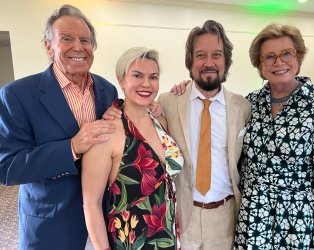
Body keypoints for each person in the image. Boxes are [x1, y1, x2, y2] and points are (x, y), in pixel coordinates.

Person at [0, 5, 119, 249]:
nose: (78, 47)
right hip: (51, 225)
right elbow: (7, 167)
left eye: (85, 40)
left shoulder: (108, 91)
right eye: (66, 39)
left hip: (104, 219)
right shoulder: (17, 95)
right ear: (48, 46)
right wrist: (72, 147)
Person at [234, 23, 314, 250]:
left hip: (297, 217)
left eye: (287, 53)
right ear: (259, 64)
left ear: (298, 57)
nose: (279, 62)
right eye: (269, 57)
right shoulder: (250, 103)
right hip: (253, 213)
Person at [158, 20, 251, 250]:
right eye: (200, 55)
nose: (208, 62)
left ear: (226, 61)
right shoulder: (168, 102)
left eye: (216, 55)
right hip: (183, 214)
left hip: (226, 217)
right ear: (190, 62)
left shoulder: (243, 107)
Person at [82, 47, 184, 250]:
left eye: (153, 77)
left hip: (169, 237)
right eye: (137, 75)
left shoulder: (159, 120)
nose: (146, 83)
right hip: (131, 241)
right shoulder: (107, 132)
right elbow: (91, 204)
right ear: (121, 80)